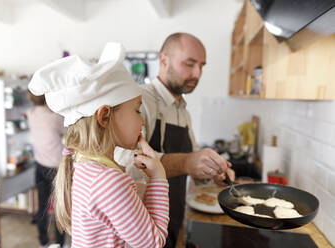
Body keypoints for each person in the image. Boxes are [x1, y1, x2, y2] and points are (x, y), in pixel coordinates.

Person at [28, 42, 170, 248]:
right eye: (137, 110)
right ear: (104, 116)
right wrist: (159, 177)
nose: (142, 120)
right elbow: (154, 242)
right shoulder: (109, 181)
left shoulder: (85, 166)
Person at [115, 32, 235, 248]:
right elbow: (123, 165)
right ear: (163, 60)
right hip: (140, 232)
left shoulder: (182, 110)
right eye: (189, 64)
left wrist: (213, 173)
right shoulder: (140, 101)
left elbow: (194, 158)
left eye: (201, 66)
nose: (197, 73)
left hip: (173, 219)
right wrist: (187, 162)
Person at [27, 90, 66, 248]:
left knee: (42, 206)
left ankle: (44, 241)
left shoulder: (31, 113)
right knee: (59, 207)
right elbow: (68, 131)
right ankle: (60, 243)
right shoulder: (55, 117)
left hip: (40, 164)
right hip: (56, 166)